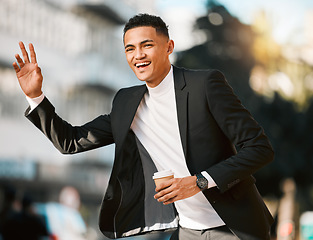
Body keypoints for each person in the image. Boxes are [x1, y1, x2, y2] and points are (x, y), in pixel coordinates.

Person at [13, 13, 274, 240]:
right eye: (129, 48)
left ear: (169, 46)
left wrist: (200, 182)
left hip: (235, 229)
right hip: (188, 231)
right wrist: (36, 96)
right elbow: (70, 141)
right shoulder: (127, 102)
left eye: (146, 45)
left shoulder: (204, 85)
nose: (138, 55)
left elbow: (259, 148)